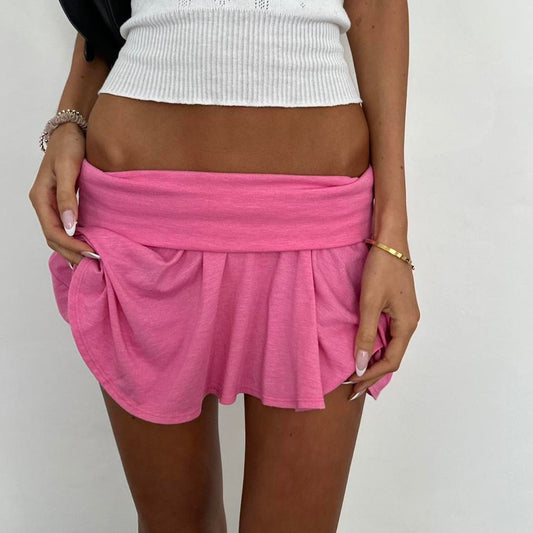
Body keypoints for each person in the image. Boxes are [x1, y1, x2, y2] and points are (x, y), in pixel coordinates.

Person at [29, 1, 420, 531]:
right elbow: (102, 17)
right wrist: (69, 120)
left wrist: (392, 234)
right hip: (141, 217)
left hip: (316, 222)